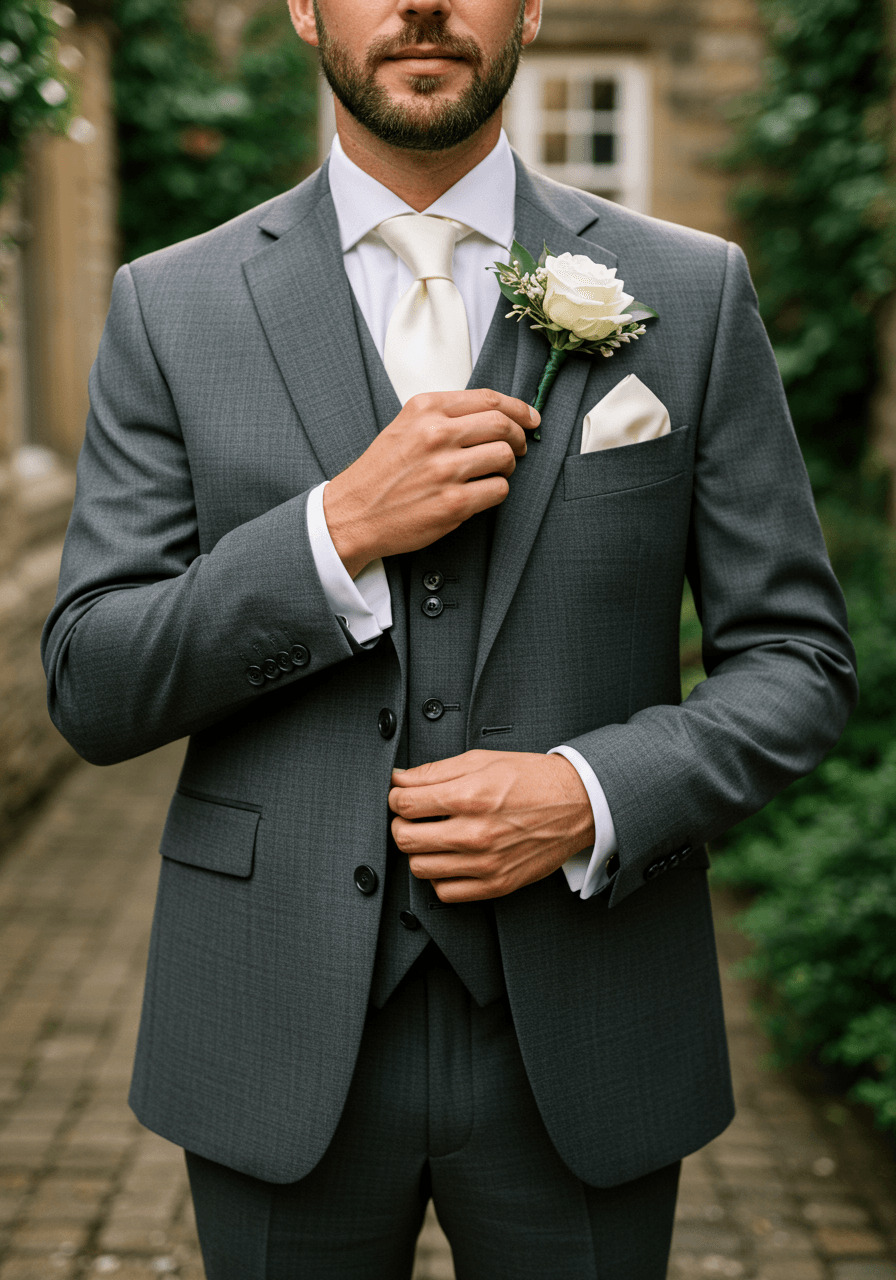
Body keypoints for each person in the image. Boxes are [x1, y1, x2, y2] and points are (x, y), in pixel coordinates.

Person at [42, 0, 858, 1275]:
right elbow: (92, 678)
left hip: (588, 1024)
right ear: (305, 8)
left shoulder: (689, 291)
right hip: (271, 1020)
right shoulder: (171, 306)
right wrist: (334, 532)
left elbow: (799, 662)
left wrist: (589, 792)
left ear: (531, 4)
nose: (420, 3)